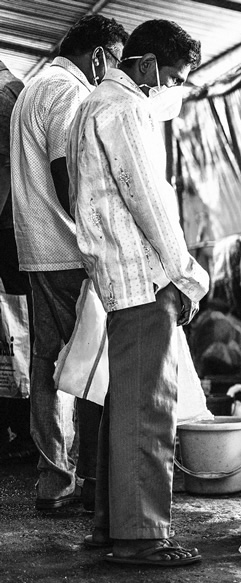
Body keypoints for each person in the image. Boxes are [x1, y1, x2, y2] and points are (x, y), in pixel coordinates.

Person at [66, 19, 208, 566]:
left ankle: (111, 526)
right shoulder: (125, 108)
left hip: (118, 275)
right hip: (144, 277)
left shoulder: (93, 105)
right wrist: (185, 274)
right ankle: (142, 536)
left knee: (124, 403)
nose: (171, 88)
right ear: (147, 64)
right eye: (173, 76)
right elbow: (148, 198)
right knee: (150, 410)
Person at [9, 16, 128, 509]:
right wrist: (96, 236)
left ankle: (53, 478)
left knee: (47, 363)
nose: (115, 75)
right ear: (99, 55)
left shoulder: (33, 87)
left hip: (37, 250)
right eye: (116, 63)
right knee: (83, 366)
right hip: (66, 248)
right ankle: (78, 483)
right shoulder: (69, 92)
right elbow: (66, 170)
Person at [0, 58, 30, 463]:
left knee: (15, 332)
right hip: (10, 230)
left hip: (7, 231)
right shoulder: (13, 90)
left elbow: (6, 167)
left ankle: (21, 427)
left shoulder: (7, 95)